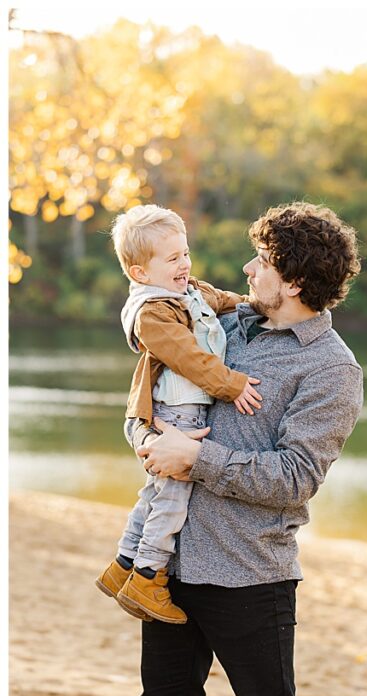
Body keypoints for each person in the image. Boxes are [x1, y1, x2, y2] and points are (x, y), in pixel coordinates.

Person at [129, 201, 363, 696]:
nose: (247, 269)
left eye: (262, 261)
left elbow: (294, 478)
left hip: (249, 576)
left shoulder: (333, 369)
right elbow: (158, 371)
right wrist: (146, 436)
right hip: (171, 569)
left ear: (296, 282)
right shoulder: (225, 326)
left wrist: (197, 457)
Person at [96, 205, 263, 624]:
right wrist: (232, 384)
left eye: (185, 253)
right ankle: (149, 576)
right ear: (140, 274)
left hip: (187, 409)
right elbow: (187, 357)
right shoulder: (152, 312)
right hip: (177, 412)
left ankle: (124, 563)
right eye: (172, 259)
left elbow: (225, 301)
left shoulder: (187, 291)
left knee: (155, 493)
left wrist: (260, 306)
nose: (184, 265)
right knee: (174, 496)